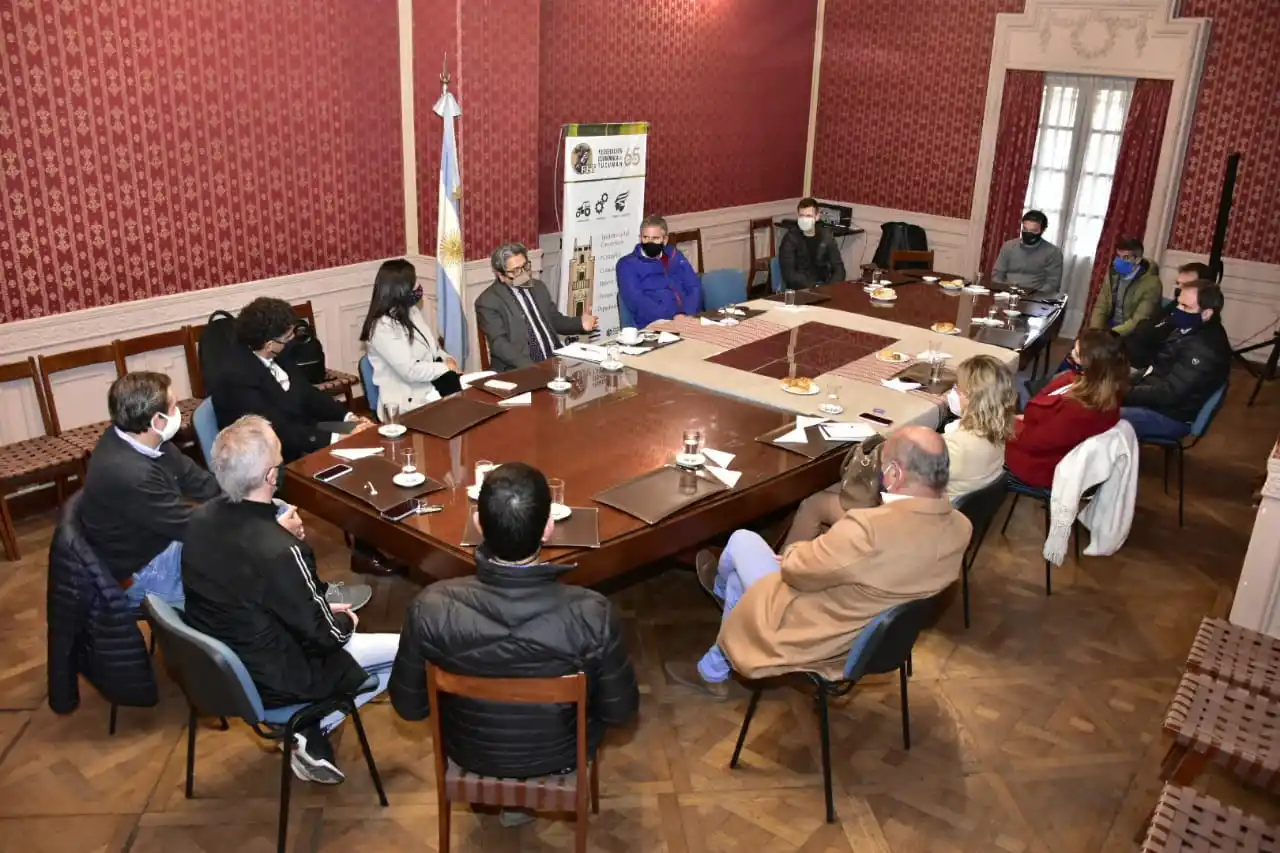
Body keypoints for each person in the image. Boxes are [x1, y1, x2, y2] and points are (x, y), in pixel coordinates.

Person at [390, 462, 638, 824]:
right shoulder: (592, 613)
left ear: (478, 524)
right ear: (549, 529)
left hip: (470, 752)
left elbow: (410, 708)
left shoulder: (429, 607)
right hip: (561, 754)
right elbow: (620, 711)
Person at [665, 427, 970, 697]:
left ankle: (721, 600)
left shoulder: (869, 529)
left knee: (742, 541)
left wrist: (797, 551)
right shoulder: (960, 528)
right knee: (738, 581)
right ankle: (713, 666)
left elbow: (797, 569)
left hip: (817, 634)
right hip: (873, 640)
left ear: (895, 474)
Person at [183, 416, 398, 785]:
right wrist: (346, 620)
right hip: (283, 676)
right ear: (270, 478)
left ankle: (309, 732)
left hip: (227, 669)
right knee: (412, 649)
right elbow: (328, 636)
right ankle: (311, 724)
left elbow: (249, 587)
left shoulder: (198, 522)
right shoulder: (282, 550)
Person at [78, 372, 220, 607]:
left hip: (160, 541)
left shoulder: (148, 441)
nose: (179, 413)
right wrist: (248, 522)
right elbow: (189, 526)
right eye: (174, 407)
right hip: (144, 571)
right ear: (157, 421)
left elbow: (200, 482)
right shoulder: (131, 474)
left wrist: (246, 500)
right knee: (239, 592)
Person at [212, 297, 375, 463]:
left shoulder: (278, 354)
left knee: (368, 437)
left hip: (301, 433)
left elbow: (309, 394)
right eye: (288, 336)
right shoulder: (236, 377)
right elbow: (278, 430)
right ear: (269, 344)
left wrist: (348, 417)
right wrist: (335, 438)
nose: (293, 339)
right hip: (267, 458)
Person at [1005, 330, 1128, 489]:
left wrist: (1006, 423)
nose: (1070, 354)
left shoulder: (1082, 410)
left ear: (1092, 365)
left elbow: (1033, 441)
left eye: (1076, 354)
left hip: (1038, 465)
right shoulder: (1093, 385)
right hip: (1039, 443)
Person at [1121, 280, 1231, 441]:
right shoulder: (1188, 329)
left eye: (1186, 307)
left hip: (1171, 416)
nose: (1177, 310)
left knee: (1098, 415)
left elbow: (1170, 394)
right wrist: (1121, 384)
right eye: (1178, 304)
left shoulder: (1206, 348)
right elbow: (1155, 368)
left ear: (1207, 314)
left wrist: (1123, 393)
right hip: (1156, 402)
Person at [476, 242, 597, 373]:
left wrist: (579, 323)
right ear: (501, 276)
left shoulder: (537, 286)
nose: (523, 274)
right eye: (516, 270)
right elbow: (500, 345)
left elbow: (554, 320)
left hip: (554, 360)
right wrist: (535, 368)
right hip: (519, 369)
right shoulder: (488, 301)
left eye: (525, 266)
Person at [360, 258, 461, 413]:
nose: (418, 286)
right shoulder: (382, 327)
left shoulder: (411, 311)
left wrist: (447, 358)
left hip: (430, 390)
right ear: (401, 289)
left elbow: (432, 348)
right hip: (405, 406)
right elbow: (409, 371)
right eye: (414, 283)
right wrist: (444, 368)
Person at [942, 355, 1016, 499]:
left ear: (972, 398)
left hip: (942, 513)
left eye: (957, 388)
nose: (953, 392)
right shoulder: (998, 429)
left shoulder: (955, 446)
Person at [615, 215, 703, 328]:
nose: (649, 242)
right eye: (645, 238)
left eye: (655, 238)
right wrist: (673, 317)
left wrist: (687, 314)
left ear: (665, 240)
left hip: (688, 319)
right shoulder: (627, 265)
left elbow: (693, 286)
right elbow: (638, 301)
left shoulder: (675, 256)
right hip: (655, 325)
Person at [1088, 237, 1163, 336]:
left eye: (1126, 258)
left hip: (1134, 333)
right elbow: (1101, 306)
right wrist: (1095, 332)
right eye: (1118, 256)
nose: (1119, 261)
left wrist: (1110, 335)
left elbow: (1139, 320)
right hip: (1111, 326)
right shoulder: (1113, 274)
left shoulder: (1152, 284)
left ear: (1137, 260)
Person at [777, 197, 847, 290]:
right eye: (802, 215)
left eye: (809, 216)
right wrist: (814, 287)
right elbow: (789, 275)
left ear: (817, 217)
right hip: (800, 290)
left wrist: (830, 288)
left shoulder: (826, 236)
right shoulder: (790, 238)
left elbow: (839, 269)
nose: (805, 219)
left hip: (825, 287)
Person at [991, 210, 1064, 296]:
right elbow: (997, 274)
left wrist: (1034, 296)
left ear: (1042, 230)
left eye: (1034, 231)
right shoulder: (1009, 246)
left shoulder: (1053, 252)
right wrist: (1003, 291)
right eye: (1025, 229)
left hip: (1035, 298)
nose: (1028, 233)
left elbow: (1052, 284)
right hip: (1006, 294)